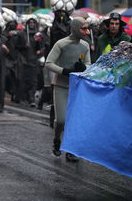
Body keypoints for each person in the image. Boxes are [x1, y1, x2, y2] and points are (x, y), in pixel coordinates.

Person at [45, 17, 91, 162]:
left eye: (87, 28)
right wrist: (64, 71)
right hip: (61, 86)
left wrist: (84, 68)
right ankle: (57, 140)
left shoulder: (85, 45)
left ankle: (71, 150)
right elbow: (49, 63)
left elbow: (89, 64)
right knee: (61, 120)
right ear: (75, 28)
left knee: (75, 121)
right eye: (83, 28)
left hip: (77, 88)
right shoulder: (61, 44)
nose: (87, 31)